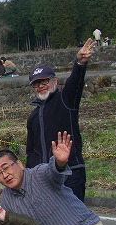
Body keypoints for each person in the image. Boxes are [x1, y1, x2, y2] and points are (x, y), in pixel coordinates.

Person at [26, 38, 97, 202]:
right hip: (44, 177)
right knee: (49, 216)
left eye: (44, 81)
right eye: (36, 84)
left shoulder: (66, 100)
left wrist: (80, 64)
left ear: (55, 81)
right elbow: (31, 152)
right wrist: (30, 176)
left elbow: (75, 83)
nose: (40, 86)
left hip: (70, 172)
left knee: (74, 215)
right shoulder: (33, 117)